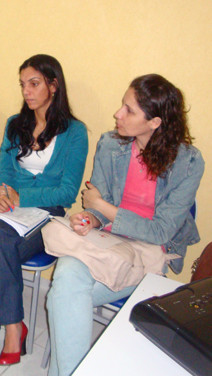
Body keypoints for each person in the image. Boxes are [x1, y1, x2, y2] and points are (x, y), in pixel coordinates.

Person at [46, 74, 204, 376]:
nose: (118, 114)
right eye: (122, 105)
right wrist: (90, 218)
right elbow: (99, 212)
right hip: (105, 242)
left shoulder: (189, 162)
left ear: (155, 122)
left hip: (147, 255)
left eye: (129, 110)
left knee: (63, 296)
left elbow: (160, 231)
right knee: (67, 282)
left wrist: (101, 207)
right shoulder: (111, 144)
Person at [0, 55, 88, 371]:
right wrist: (4, 194)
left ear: (53, 84)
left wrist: (21, 196)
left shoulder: (75, 132)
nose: (27, 92)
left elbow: (67, 192)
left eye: (34, 83)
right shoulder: (15, 124)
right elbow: (4, 171)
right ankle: (13, 327)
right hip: (8, 209)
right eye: (23, 85)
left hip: (47, 213)